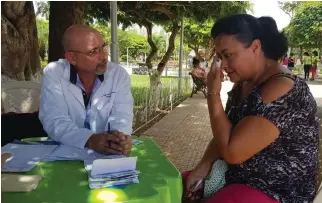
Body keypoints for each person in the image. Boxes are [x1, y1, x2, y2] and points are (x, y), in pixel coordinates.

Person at [183, 14, 319, 203]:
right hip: (239, 179)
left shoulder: (282, 87)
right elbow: (225, 134)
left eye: (228, 55)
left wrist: (213, 94)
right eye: (220, 57)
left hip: (278, 191)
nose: (223, 66)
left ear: (255, 47)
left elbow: (232, 153)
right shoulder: (244, 84)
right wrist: (202, 167)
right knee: (176, 185)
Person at [39, 25, 134, 156]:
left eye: (103, 48)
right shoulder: (54, 73)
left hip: (107, 154)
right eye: (93, 52)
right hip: (64, 152)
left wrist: (119, 138)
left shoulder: (118, 74)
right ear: (72, 57)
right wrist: (89, 139)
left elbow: (122, 115)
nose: (104, 57)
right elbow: (54, 119)